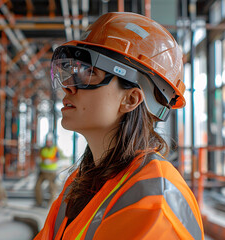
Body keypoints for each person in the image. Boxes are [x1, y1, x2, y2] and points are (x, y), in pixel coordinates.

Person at [34, 12, 204, 240]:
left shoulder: (155, 200)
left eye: (90, 73)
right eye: (73, 72)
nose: (68, 88)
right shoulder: (80, 181)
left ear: (131, 99)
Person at [35, 133, 59, 207]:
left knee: (52, 188)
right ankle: (39, 202)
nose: (48, 143)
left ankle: (51, 204)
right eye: (47, 141)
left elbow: (57, 158)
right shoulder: (42, 149)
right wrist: (39, 161)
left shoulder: (55, 149)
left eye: (49, 141)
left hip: (51, 172)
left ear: (51, 141)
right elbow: (40, 156)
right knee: (37, 186)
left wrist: (50, 161)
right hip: (43, 171)